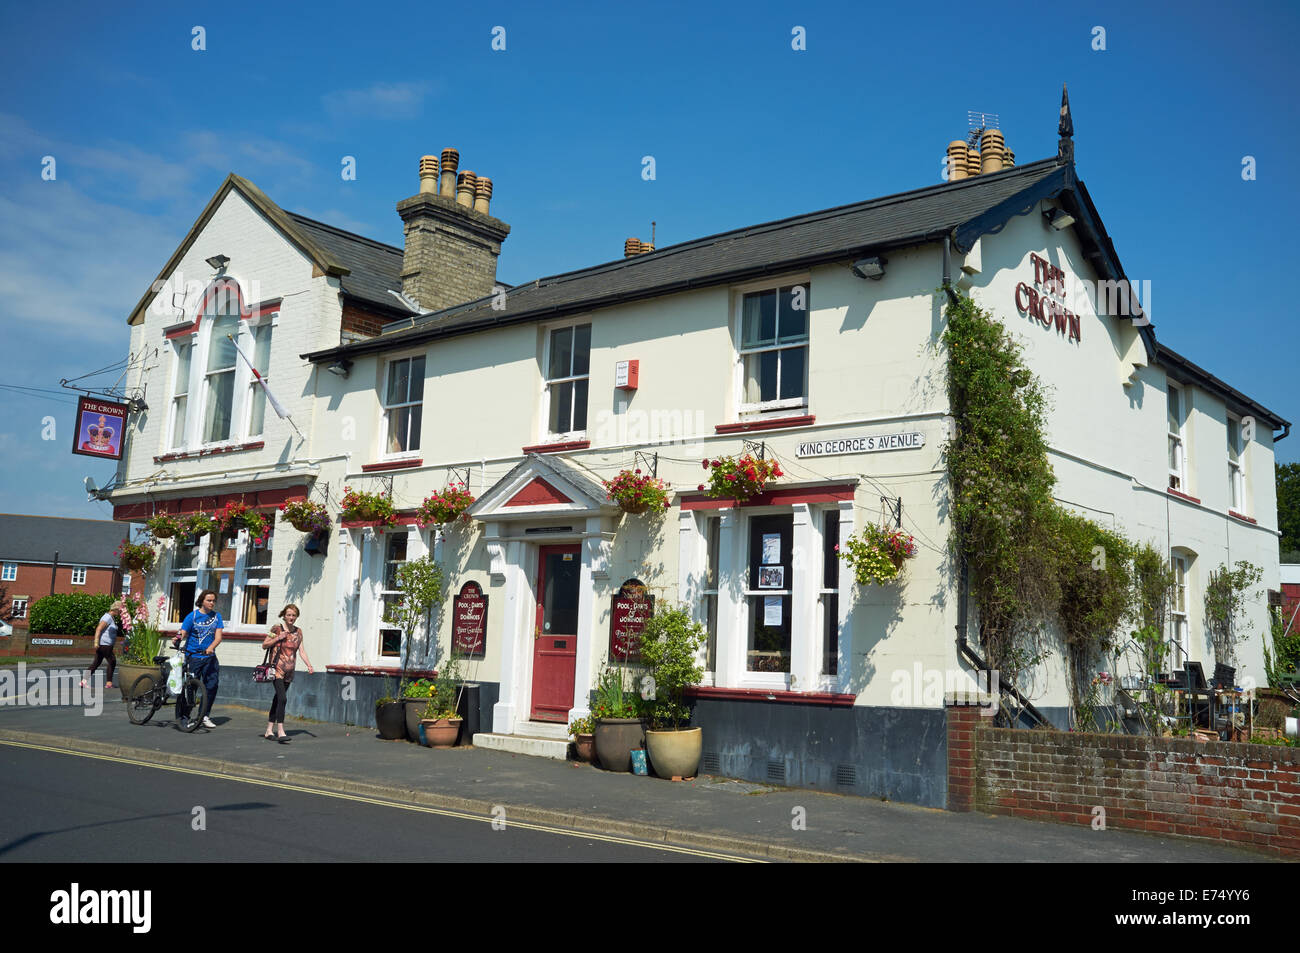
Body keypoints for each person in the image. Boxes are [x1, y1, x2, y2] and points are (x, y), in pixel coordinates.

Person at [261, 604, 313, 743]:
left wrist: (309, 665)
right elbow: (265, 644)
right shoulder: (276, 629)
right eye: (289, 615)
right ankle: (281, 731)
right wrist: (278, 638)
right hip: (276, 669)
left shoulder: (298, 632)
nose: (291, 618)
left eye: (294, 615)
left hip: (289, 671)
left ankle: (269, 730)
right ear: (284, 615)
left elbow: (301, 650)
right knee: (283, 699)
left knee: (277, 699)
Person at [174, 589, 223, 729]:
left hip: (209, 658)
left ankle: (204, 715)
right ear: (202, 601)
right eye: (209, 600)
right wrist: (177, 638)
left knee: (212, 686)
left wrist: (211, 647)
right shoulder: (193, 616)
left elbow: (218, 637)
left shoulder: (217, 616)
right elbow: (183, 632)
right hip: (193, 657)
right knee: (191, 688)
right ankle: (185, 716)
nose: (212, 603)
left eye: (214, 600)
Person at [83, 600, 125, 689]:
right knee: (112, 661)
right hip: (105, 645)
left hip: (104, 645)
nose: (121, 612)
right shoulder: (107, 617)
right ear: (116, 609)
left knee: (96, 663)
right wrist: (96, 642)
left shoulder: (110, 617)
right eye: (120, 610)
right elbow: (99, 629)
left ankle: (84, 681)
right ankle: (109, 683)